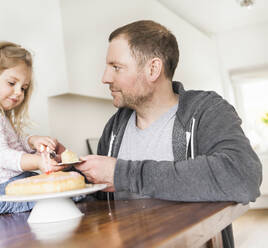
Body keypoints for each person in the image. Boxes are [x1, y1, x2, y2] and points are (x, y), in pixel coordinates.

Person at [75, 20, 262, 247]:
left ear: (153, 69)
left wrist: (121, 173)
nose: (105, 77)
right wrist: (71, 173)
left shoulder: (206, 110)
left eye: (116, 67)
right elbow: (99, 200)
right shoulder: (114, 128)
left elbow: (242, 175)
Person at [0, 41, 66, 215]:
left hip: (8, 185)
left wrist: (31, 142)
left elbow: (13, 145)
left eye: (23, 88)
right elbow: (1, 155)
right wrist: (37, 162)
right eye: (12, 83)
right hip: (3, 190)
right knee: (60, 194)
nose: (19, 92)